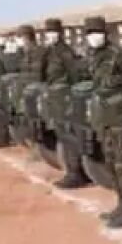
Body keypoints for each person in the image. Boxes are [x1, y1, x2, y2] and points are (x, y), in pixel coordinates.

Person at [85, 16, 122, 227]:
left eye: (97, 32)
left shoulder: (118, 56)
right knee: (111, 164)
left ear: (105, 34)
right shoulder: (93, 56)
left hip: (120, 119)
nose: (94, 37)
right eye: (90, 33)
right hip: (104, 119)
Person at [40, 18, 90, 189]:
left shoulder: (65, 52)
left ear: (60, 33)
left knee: (69, 136)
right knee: (62, 135)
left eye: (53, 32)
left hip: (64, 97)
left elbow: (74, 76)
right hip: (54, 97)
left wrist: (70, 97)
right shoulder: (50, 51)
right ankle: (71, 171)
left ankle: (75, 174)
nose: (51, 35)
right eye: (48, 33)